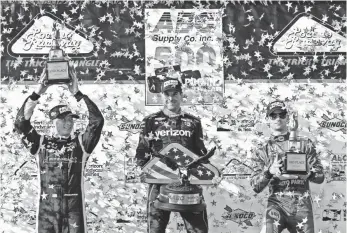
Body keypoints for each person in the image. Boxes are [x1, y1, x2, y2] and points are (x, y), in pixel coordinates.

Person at [14, 67, 104, 233]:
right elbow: (20, 124)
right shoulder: (39, 143)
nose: (68, 122)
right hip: (47, 211)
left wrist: (78, 94)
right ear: (51, 123)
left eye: (71, 119)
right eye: (62, 119)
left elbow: (97, 121)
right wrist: (36, 93)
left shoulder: (81, 144)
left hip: (73, 211)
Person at [136, 77, 209, 233]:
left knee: (198, 230)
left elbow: (201, 152)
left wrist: (207, 171)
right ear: (162, 96)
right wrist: (144, 170)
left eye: (175, 93)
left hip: (188, 183)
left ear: (181, 95)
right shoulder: (150, 121)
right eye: (167, 94)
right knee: (155, 230)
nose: (171, 98)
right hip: (159, 182)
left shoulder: (194, 122)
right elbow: (142, 152)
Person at [250, 100, 324, 233]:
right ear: (268, 119)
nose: (278, 118)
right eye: (273, 116)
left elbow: (320, 176)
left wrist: (309, 174)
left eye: (282, 115)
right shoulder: (262, 149)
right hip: (276, 204)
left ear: (287, 117)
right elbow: (255, 186)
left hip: (301, 206)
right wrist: (269, 172)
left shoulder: (305, 144)